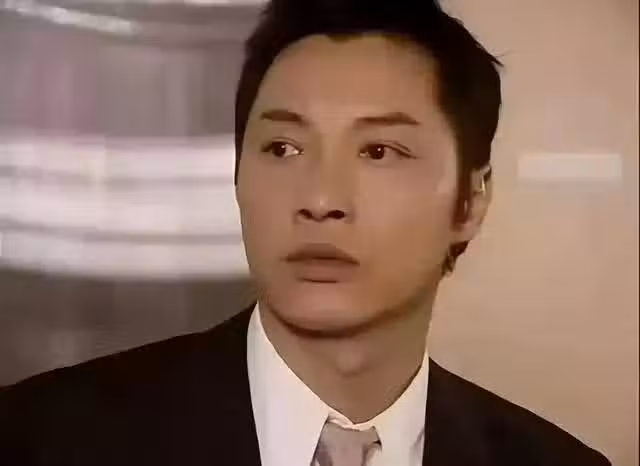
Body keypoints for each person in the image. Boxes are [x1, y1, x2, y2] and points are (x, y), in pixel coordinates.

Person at [0, 1, 611, 465]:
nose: (320, 201)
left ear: (470, 202)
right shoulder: (41, 439)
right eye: (283, 148)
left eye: (379, 151)